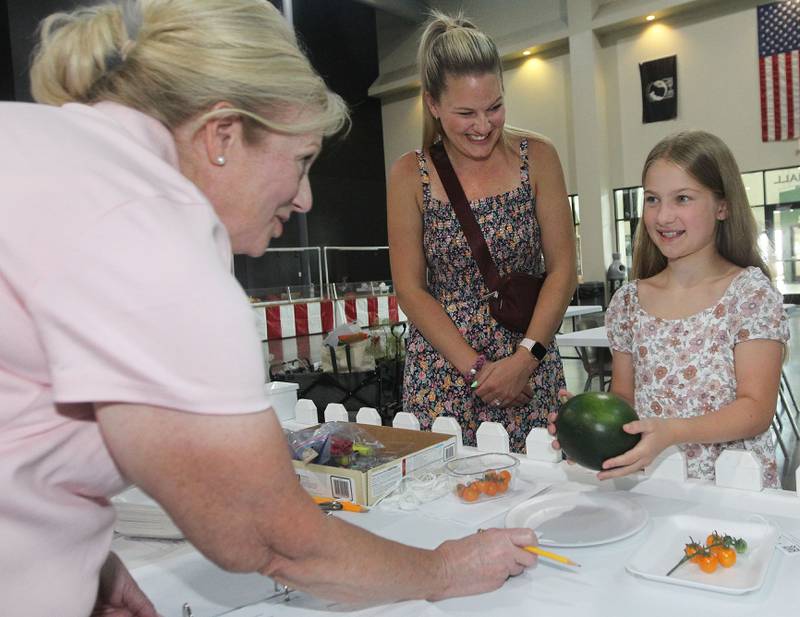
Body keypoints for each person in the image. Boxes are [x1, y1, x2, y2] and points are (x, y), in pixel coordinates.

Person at [0, 2, 538, 616]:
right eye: (302, 160)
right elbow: (269, 536)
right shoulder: (154, 243)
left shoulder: (42, 147)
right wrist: (445, 567)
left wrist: (86, 559)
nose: (306, 199)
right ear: (223, 134)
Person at [549, 130, 789, 487]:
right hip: (653, 483)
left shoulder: (750, 295)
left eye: (683, 199)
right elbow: (624, 397)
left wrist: (673, 431)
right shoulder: (629, 302)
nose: (663, 216)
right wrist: (588, 424)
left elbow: (755, 409)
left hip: (733, 487)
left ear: (722, 206)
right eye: (652, 199)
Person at [387, 11, 577, 452]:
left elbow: (563, 270)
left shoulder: (539, 158)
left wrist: (525, 360)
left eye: (494, 107)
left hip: (529, 363)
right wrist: (478, 372)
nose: (483, 125)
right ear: (432, 104)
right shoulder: (409, 175)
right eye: (465, 112)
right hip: (446, 371)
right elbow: (411, 290)